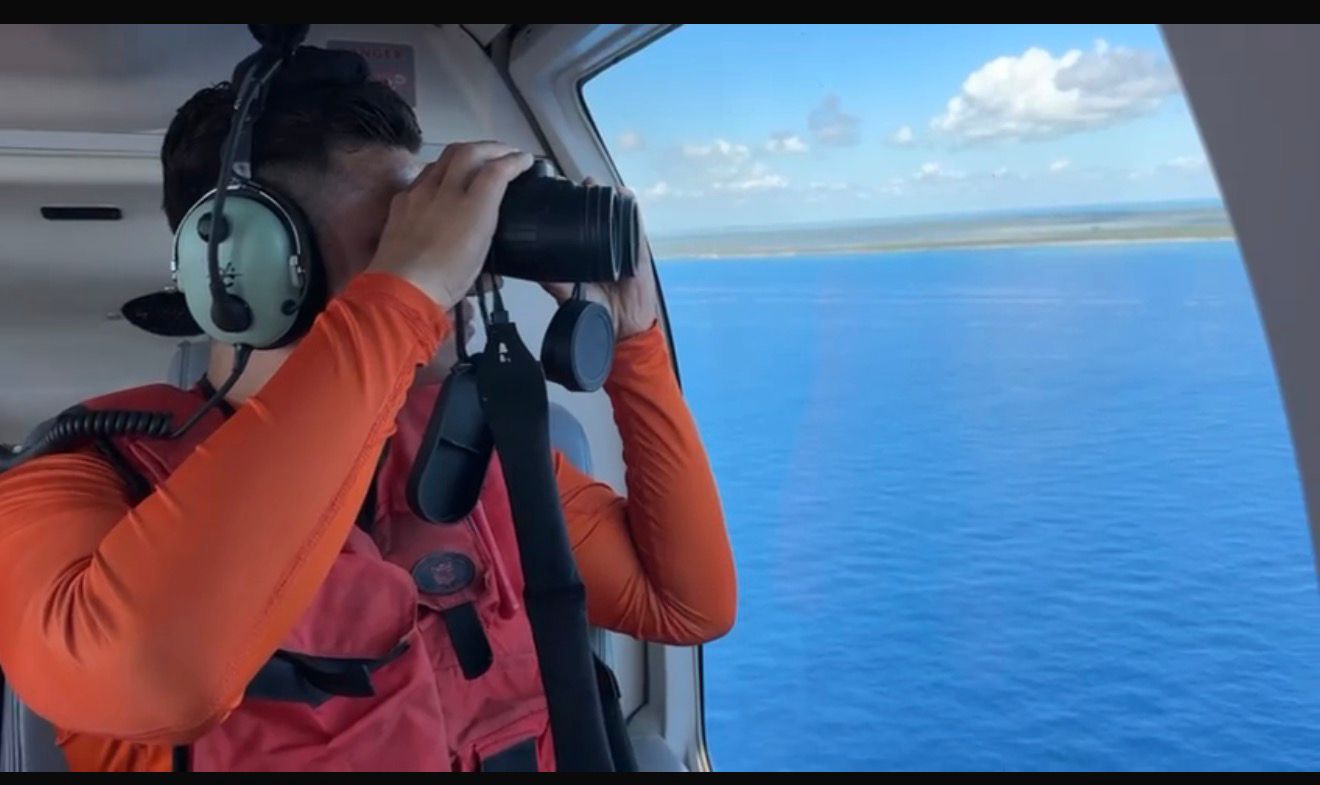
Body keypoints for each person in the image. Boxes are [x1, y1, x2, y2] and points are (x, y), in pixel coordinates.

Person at [0, 44, 735, 772]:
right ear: (240, 271)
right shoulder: (67, 487)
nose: (448, 263)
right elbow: (154, 675)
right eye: (399, 236)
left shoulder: (466, 455)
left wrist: (635, 346)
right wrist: (403, 295)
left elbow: (685, 605)